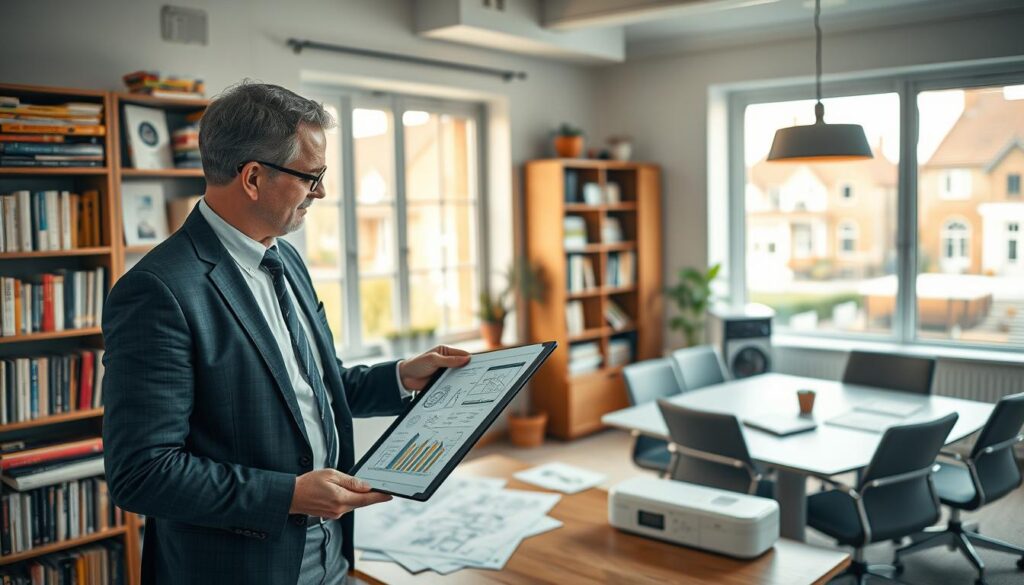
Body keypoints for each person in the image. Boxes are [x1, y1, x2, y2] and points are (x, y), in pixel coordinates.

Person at [102, 81, 470, 585]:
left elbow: (311, 387)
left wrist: (403, 375)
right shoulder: (157, 291)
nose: (321, 192)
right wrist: (290, 495)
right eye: (311, 176)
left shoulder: (286, 257)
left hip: (331, 557)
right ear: (253, 178)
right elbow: (142, 473)